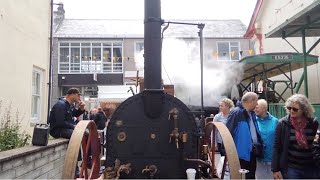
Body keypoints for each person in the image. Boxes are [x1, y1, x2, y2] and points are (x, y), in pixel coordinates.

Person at [272, 94, 319, 179]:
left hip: (311, 167)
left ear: (304, 109)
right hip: (292, 168)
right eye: (289, 108)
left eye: (295, 109)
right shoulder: (283, 123)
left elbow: (317, 145)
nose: (291, 111)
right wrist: (275, 169)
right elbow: (276, 146)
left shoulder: (313, 123)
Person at [226, 92, 263, 179]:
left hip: (251, 153)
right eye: (256, 102)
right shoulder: (236, 113)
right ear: (251, 101)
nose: (257, 104)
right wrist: (228, 153)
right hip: (241, 156)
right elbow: (228, 133)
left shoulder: (252, 113)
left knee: (250, 176)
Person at [254, 99, 278, 179]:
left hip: (272, 158)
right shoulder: (253, 121)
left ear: (264, 108)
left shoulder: (275, 121)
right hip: (259, 159)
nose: (255, 109)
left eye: (257, 107)